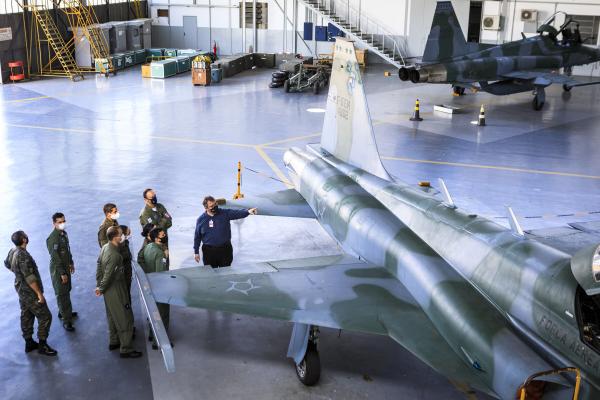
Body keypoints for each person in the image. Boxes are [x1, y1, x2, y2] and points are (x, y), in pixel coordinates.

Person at [4, 231, 57, 356]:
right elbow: (30, 278)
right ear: (24, 240)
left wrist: (18, 274)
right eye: (25, 235)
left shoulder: (13, 250)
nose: (27, 237)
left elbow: (7, 263)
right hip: (30, 291)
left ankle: (29, 343)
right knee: (45, 316)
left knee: (27, 314)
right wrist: (39, 294)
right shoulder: (22, 255)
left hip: (21, 289)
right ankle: (42, 345)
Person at [95, 226, 142, 359]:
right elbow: (109, 275)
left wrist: (99, 285)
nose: (123, 236)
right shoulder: (116, 256)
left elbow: (99, 265)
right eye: (121, 234)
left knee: (112, 315)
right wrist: (101, 288)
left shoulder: (105, 247)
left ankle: (114, 341)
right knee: (125, 317)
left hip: (108, 291)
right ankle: (126, 348)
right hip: (116, 288)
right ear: (116, 238)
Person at [193, 195, 257, 268]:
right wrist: (196, 252)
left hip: (225, 250)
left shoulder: (224, 213)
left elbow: (237, 213)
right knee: (211, 272)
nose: (215, 207)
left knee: (226, 270)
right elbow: (197, 237)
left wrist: (248, 211)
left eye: (215, 204)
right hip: (209, 252)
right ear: (206, 208)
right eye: (211, 206)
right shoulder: (201, 220)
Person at [46, 212, 77, 332]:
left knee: (66, 289)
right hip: (58, 269)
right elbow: (55, 257)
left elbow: (67, 250)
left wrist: (71, 262)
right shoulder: (53, 238)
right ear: (54, 223)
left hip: (65, 266)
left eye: (63, 221)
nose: (62, 223)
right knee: (62, 293)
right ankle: (66, 320)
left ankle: (64, 312)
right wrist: (62, 273)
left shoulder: (63, 234)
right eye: (59, 222)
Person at [143, 228, 170, 349]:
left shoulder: (148, 247)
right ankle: (159, 342)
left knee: (153, 312)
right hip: (159, 288)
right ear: (157, 238)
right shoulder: (160, 253)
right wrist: (166, 256)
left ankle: (151, 334)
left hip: (149, 283)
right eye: (163, 235)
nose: (165, 236)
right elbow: (161, 273)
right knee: (161, 315)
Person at [119, 225, 133, 302]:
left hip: (127, 272)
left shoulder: (125, 243)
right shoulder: (120, 246)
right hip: (124, 274)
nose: (129, 234)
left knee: (127, 292)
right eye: (128, 233)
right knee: (125, 293)